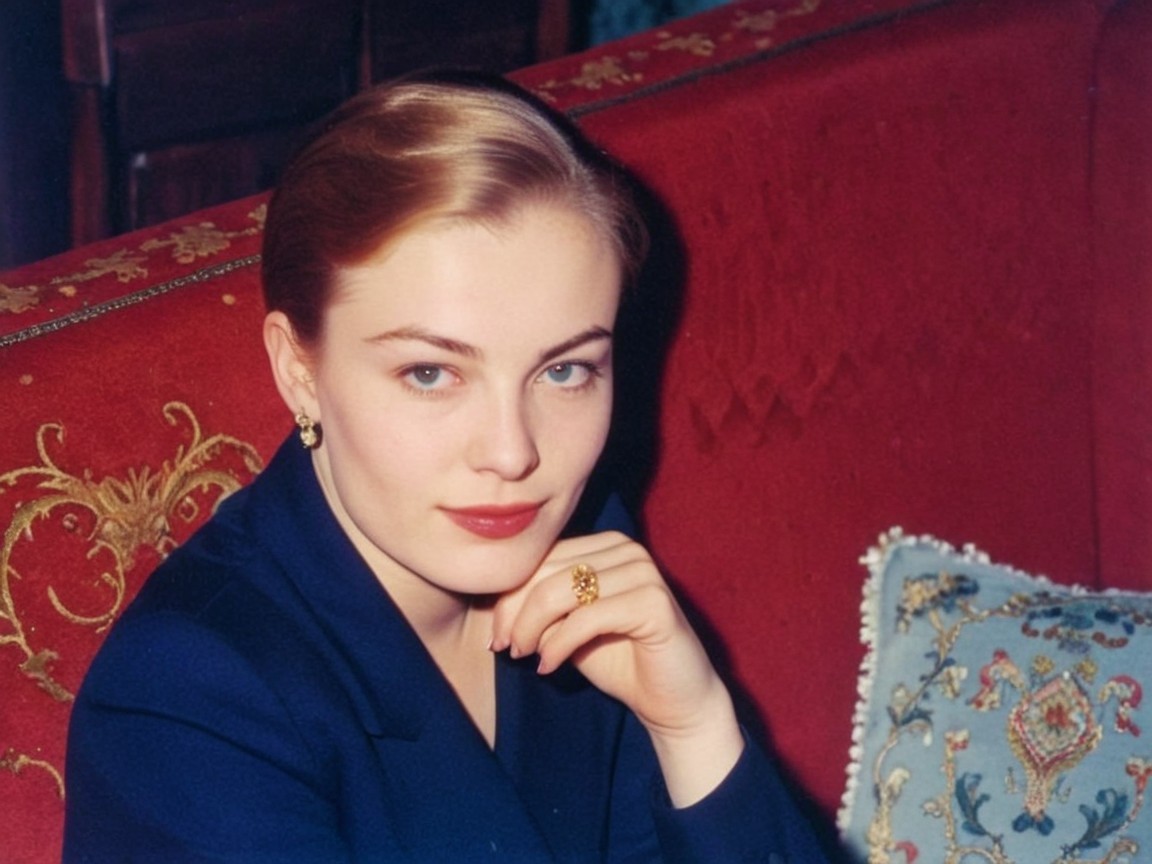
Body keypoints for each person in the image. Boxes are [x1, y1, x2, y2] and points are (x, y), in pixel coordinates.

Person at [64, 72, 831, 863]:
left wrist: (694, 724)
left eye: (564, 371)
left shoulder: (583, 564)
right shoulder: (188, 704)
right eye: (430, 373)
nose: (513, 453)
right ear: (299, 370)